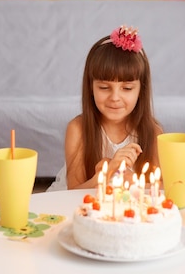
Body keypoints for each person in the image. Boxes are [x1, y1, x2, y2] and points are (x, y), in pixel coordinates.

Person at [48, 25, 163, 191]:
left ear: (141, 91)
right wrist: (109, 171)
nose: (115, 97)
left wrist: (135, 182)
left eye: (127, 88)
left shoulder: (153, 132)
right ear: (91, 88)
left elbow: (160, 187)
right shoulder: (78, 129)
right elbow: (73, 192)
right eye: (104, 87)